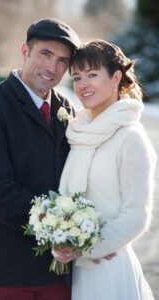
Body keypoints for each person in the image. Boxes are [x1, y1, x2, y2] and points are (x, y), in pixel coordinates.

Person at [0, 18, 81, 300]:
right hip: (5, 269)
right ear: (25, 51)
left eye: (62, 61)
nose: (52, 68)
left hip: (57, 272)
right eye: (45, 54)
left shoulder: (67, 110)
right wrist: (57, 227)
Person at [55, 39, 157, 299]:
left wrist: (87, 248)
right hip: (76, 274)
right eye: (77, 77)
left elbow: (137, 215)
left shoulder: (130, 137)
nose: (82, 84)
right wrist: (60, 239)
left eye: (92, 74)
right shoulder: (79, 134)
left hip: (109, 269)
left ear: (115, 78)